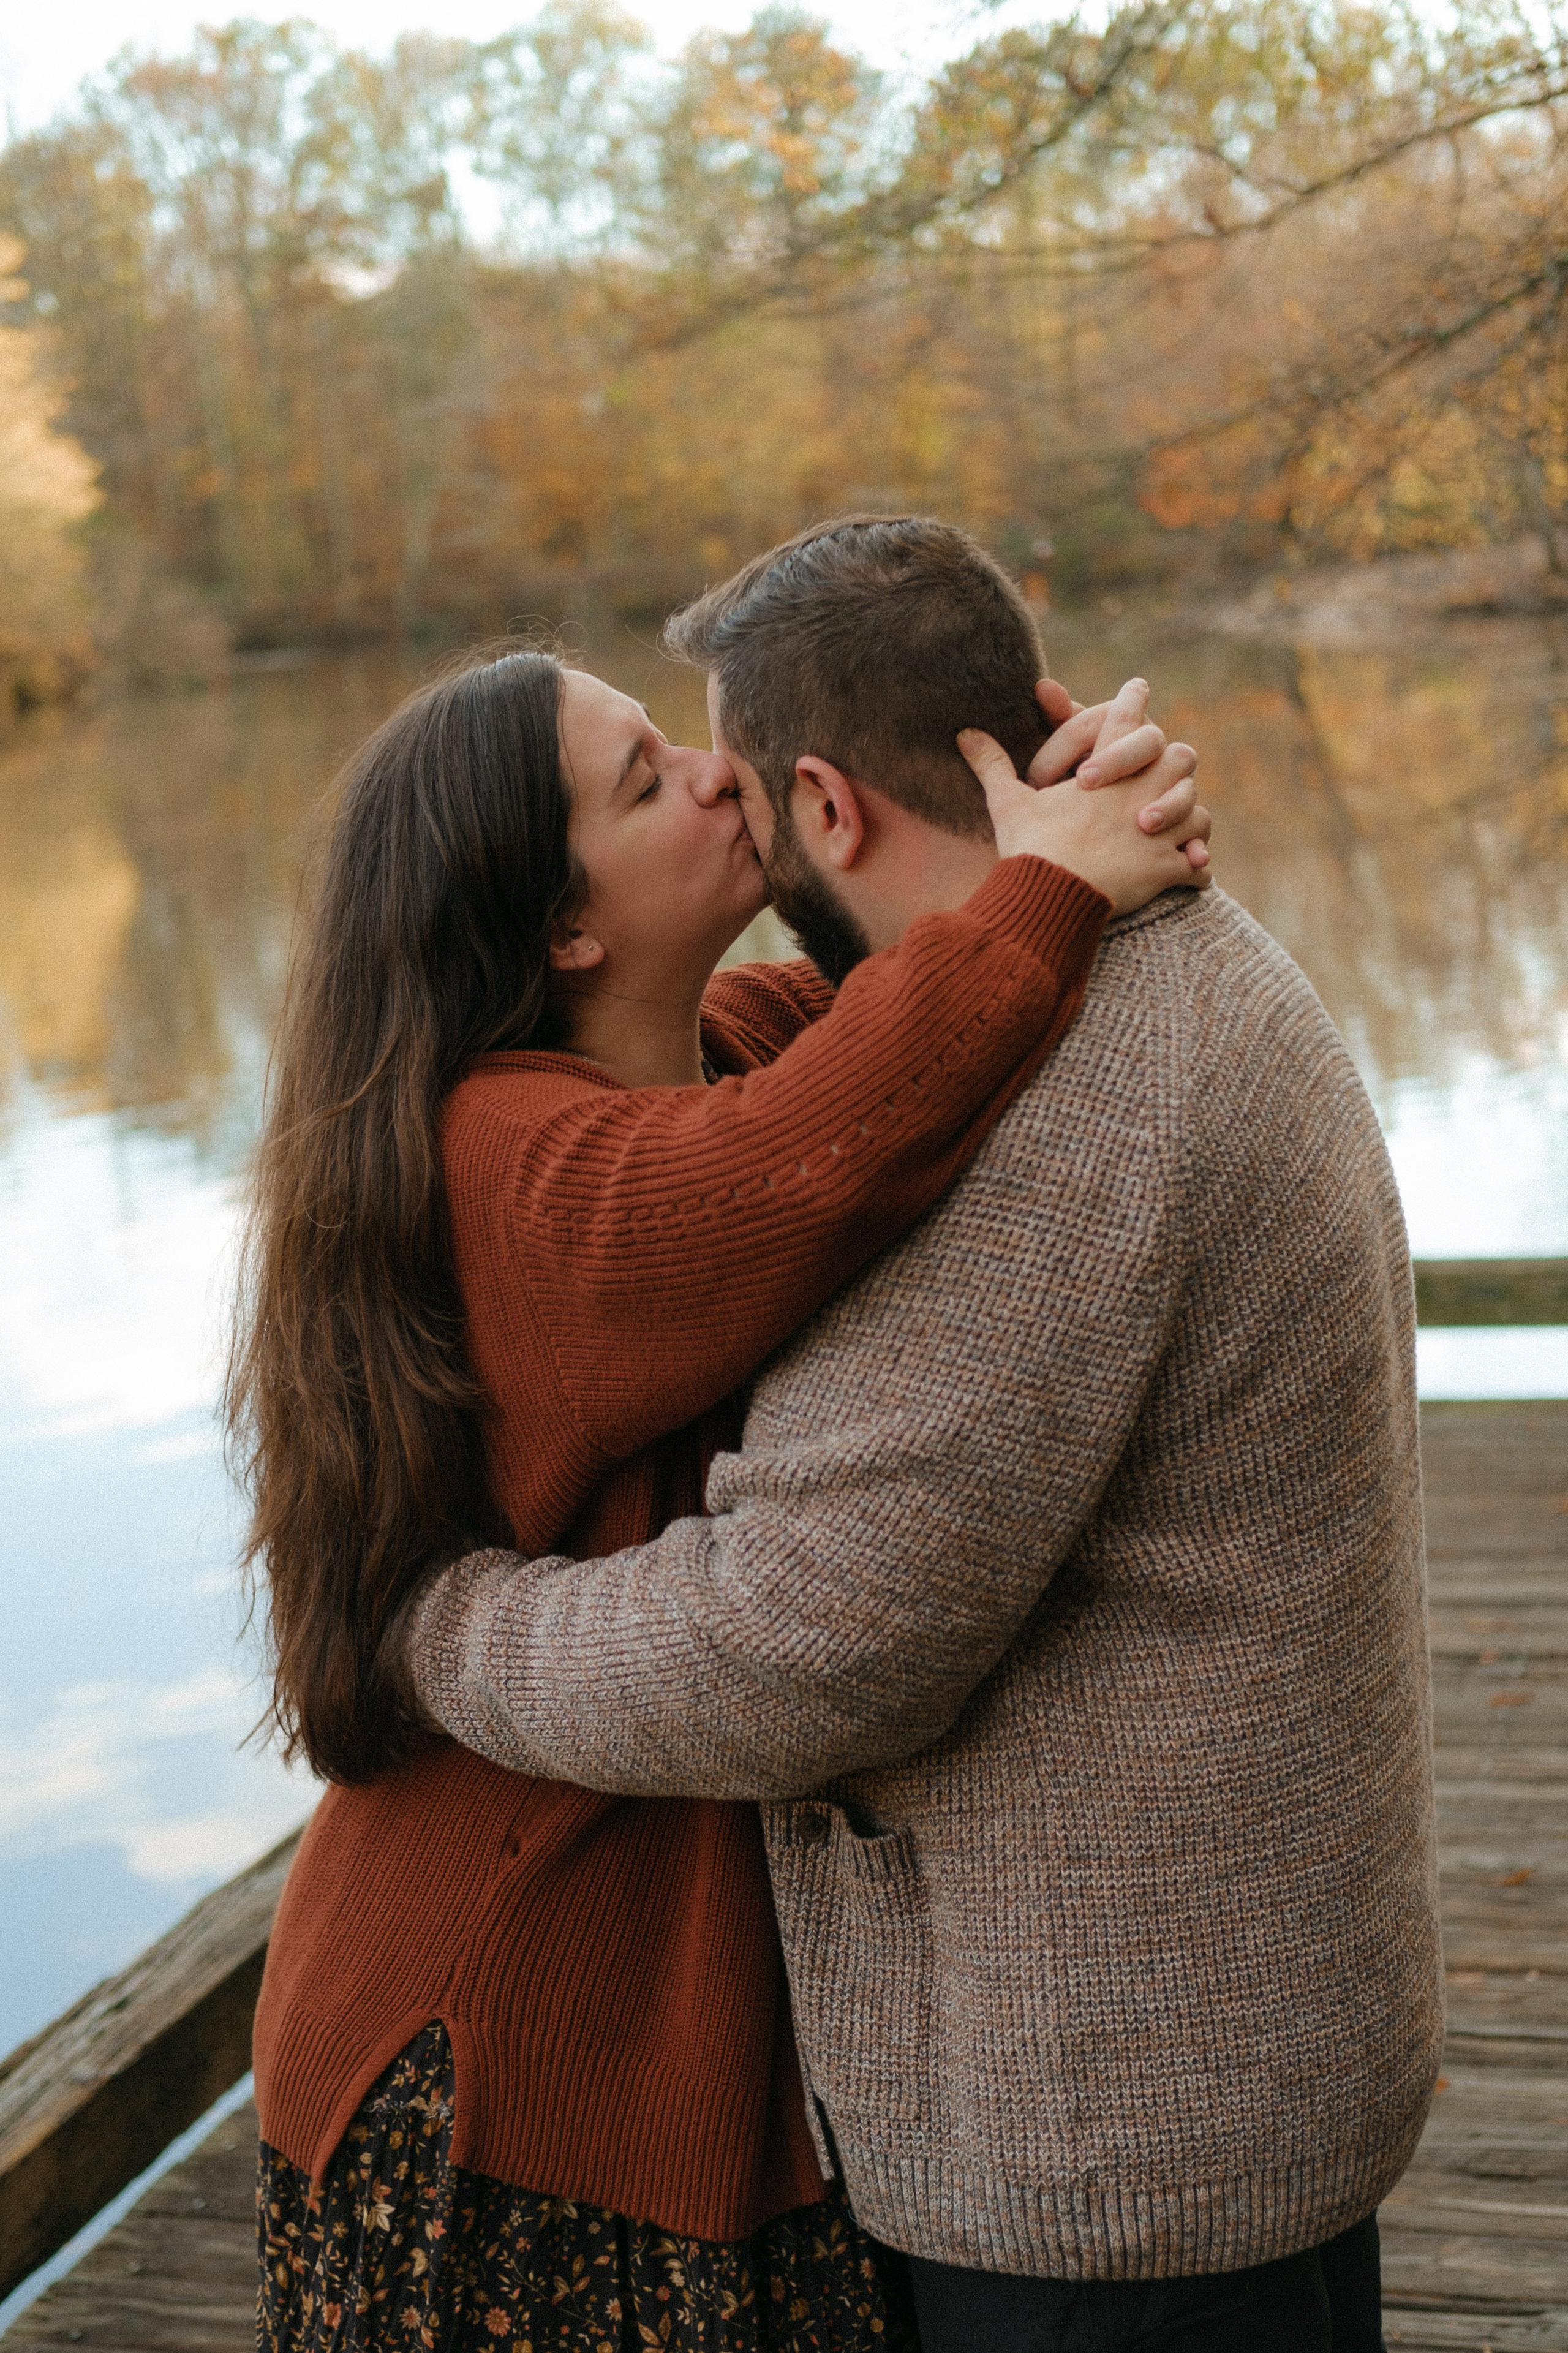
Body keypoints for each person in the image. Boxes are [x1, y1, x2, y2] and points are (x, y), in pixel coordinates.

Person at [404, 515, 1446, 2353]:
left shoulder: (1062, 1105)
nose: (713, 791)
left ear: (827, 803)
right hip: (1209, 2083)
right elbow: (770, 1093)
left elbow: (792, 1651)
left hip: (1113, 2161)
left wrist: (428, 1621)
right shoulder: (1159, 964)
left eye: (716, 756)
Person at [228, 606, 1211, 2349]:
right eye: (646, 776)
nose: (717, 767)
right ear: (565, 922)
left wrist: (1043, 801)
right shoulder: (515, 1168)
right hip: (497, 2061)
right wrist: (1051, 890)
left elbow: (884, 1015)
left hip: (630, 2043)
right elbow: (811, 1155)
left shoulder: (701, 1053)